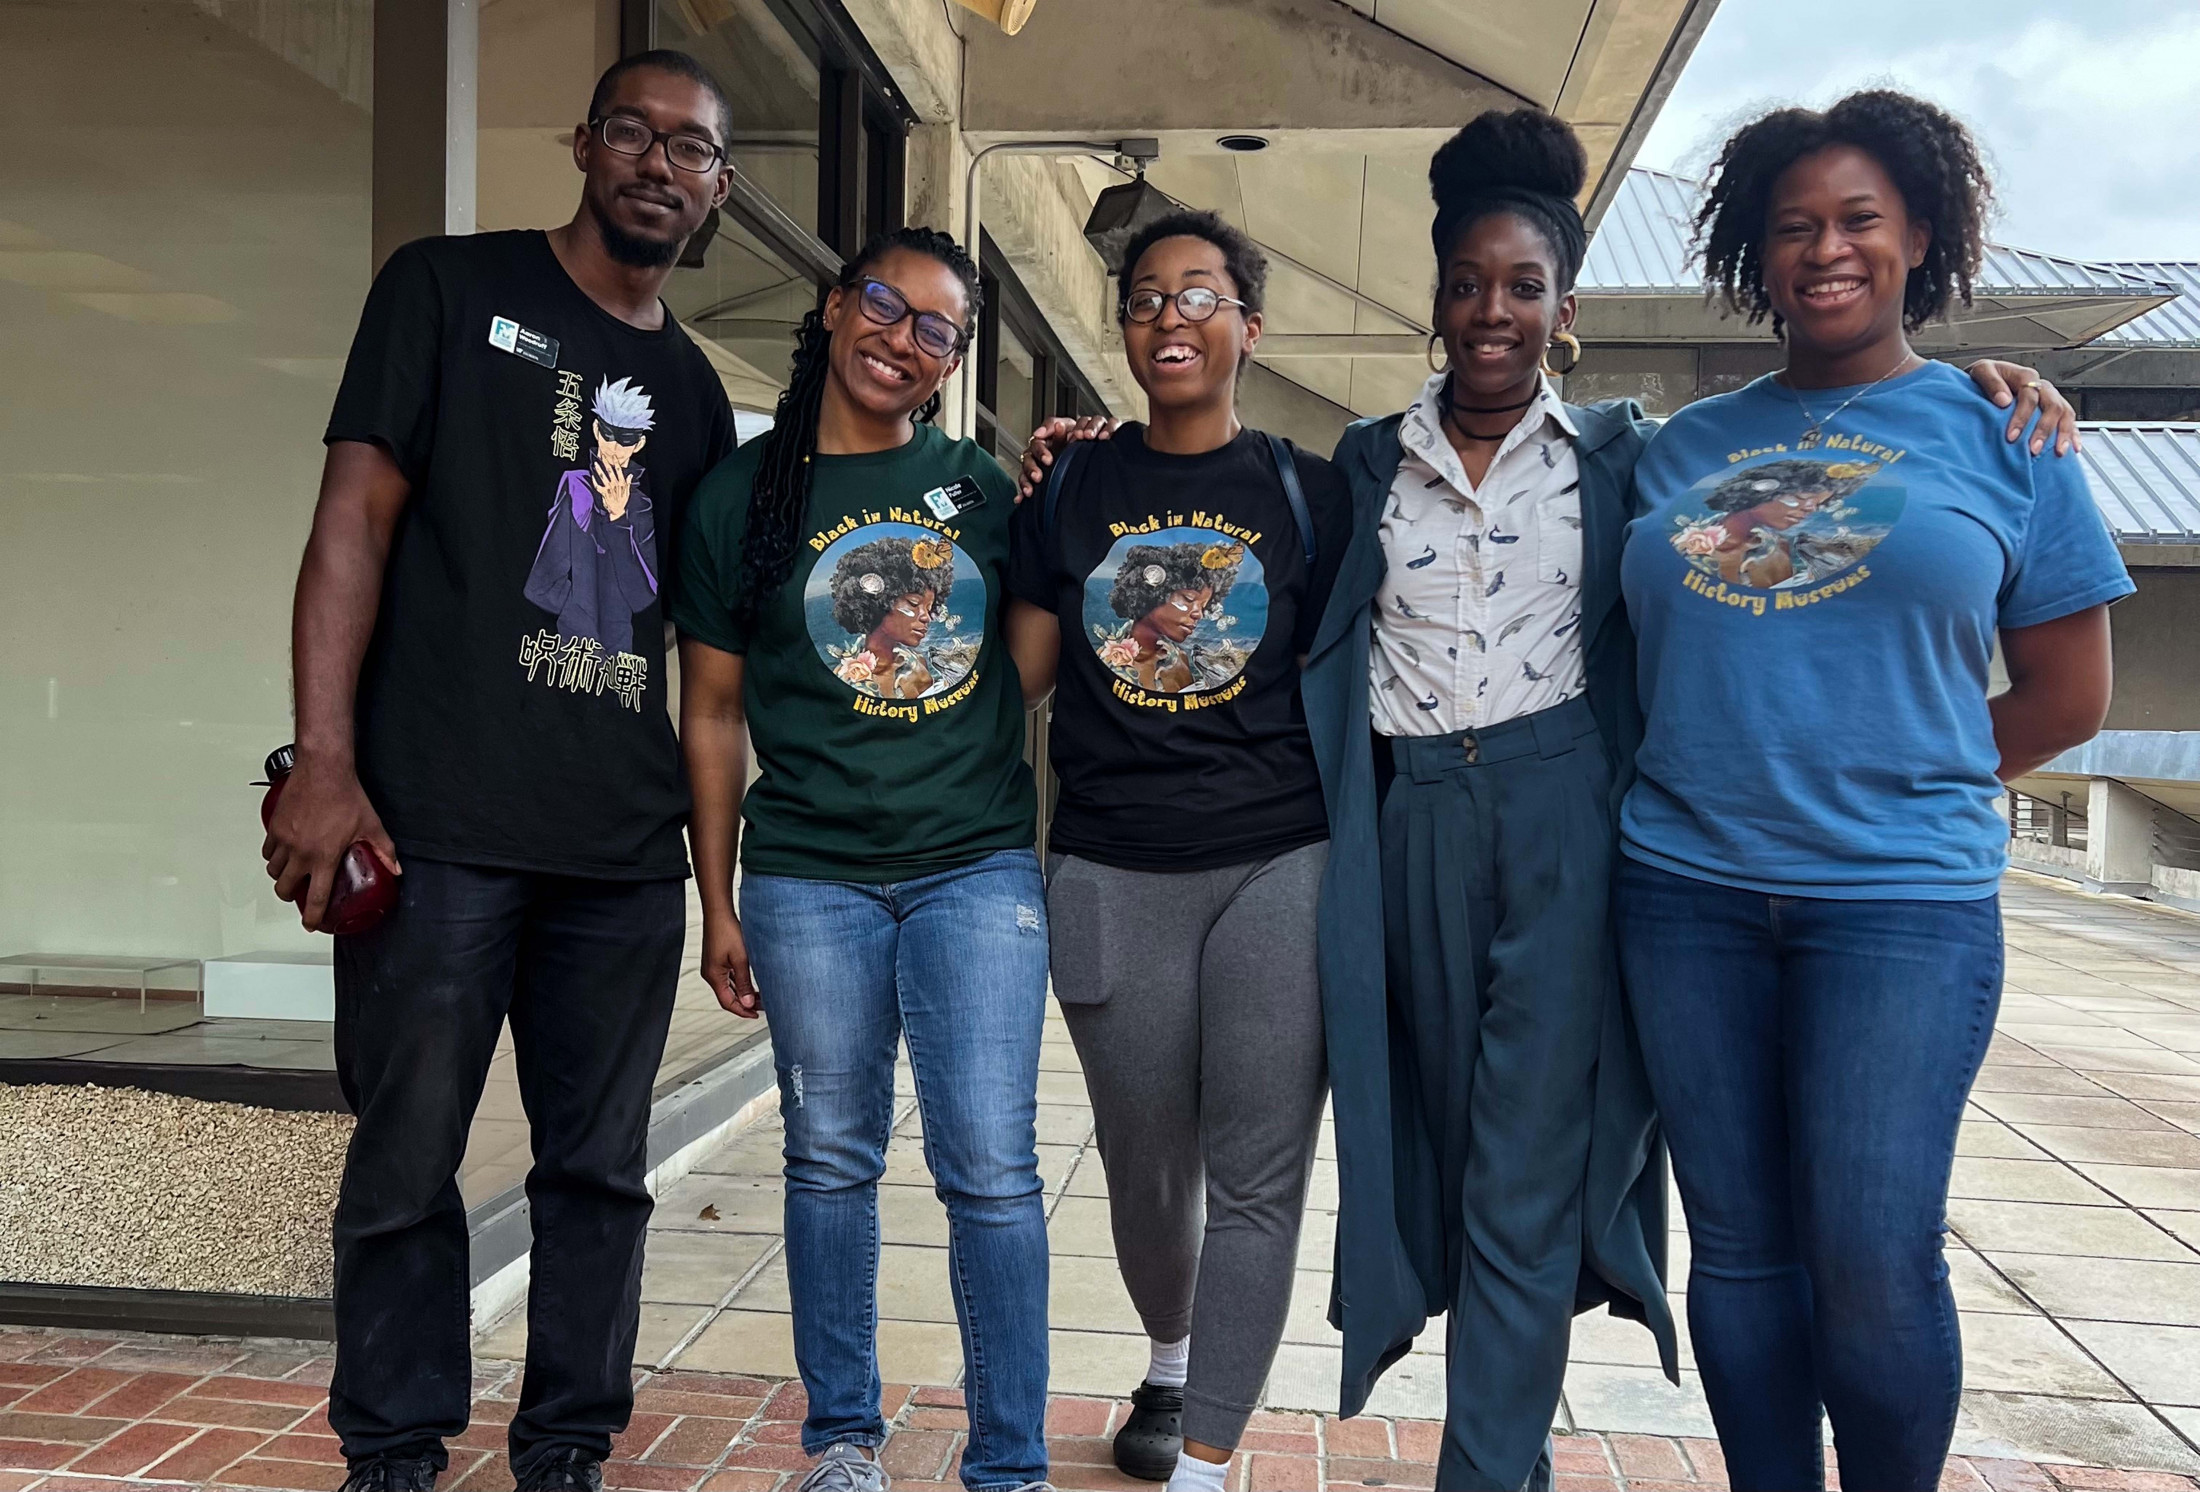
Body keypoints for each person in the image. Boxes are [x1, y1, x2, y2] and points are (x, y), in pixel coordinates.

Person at [1023, 111, 2079, 1492]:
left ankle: (1488, 1471)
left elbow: (1861, 534)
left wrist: (1991, 381)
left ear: (1564, 311)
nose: (1492, 312)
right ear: (1437, 299)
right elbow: (1209, 491)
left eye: (1524, 288)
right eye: (1468, 285)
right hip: (1405, 835)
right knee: (1430, 1159)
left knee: (1527, 1171)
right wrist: (1086, 448)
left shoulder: (1630, 459)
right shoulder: (1355, 469)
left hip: (1572, 824)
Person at [1616, 91, 2130, 1492]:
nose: (1824, 249)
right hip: (1684, 900)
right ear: (1754, 254)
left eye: (1857, 220)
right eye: (1794, 227)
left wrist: (1903, 777)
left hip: (1899, 908)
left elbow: (2067, 696)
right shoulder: (1683, 446)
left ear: (1920, 237)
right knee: (1738, 1247)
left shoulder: (2006, 436)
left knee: (1872, 1251)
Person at [262, 50, 738, 1492]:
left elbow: (705, 641)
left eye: (695, 151)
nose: (663, 165)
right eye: (639, 136)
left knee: (597, 1175)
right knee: (408, 1157)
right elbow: (353, 519)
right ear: (587, 146)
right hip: (436, 824)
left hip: (617, 845)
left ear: (719, 189)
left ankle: (568, 1447)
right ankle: (396, 1448)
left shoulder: (697, 390)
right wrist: (326, 761)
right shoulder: (445, 289)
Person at [675, 228, 1052, 1492]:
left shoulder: (977, 490)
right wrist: (716, 899)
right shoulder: (741, 500)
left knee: (989, 1165)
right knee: (829, 1156)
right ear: (836, 309)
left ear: (948, 364)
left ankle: (1007, 1461)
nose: (904, 339)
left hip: (975, 867)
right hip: (807, 876)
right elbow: (715, 712)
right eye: (888, 306)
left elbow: (1023, 671)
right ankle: (844, 1440)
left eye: (937, 329)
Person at [1001, 211, 1351, 1492]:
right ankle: (1166, 1354)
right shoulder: (1076, 487)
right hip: (1106, 864)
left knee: (1259, 1172)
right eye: (1144, 298)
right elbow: (1020, 687)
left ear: (1247, 329)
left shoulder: (1312, 490)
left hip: (1277, 857)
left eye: (1198, 295)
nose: (1168, 318)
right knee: (1149, 1166)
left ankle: (1204, 1461)